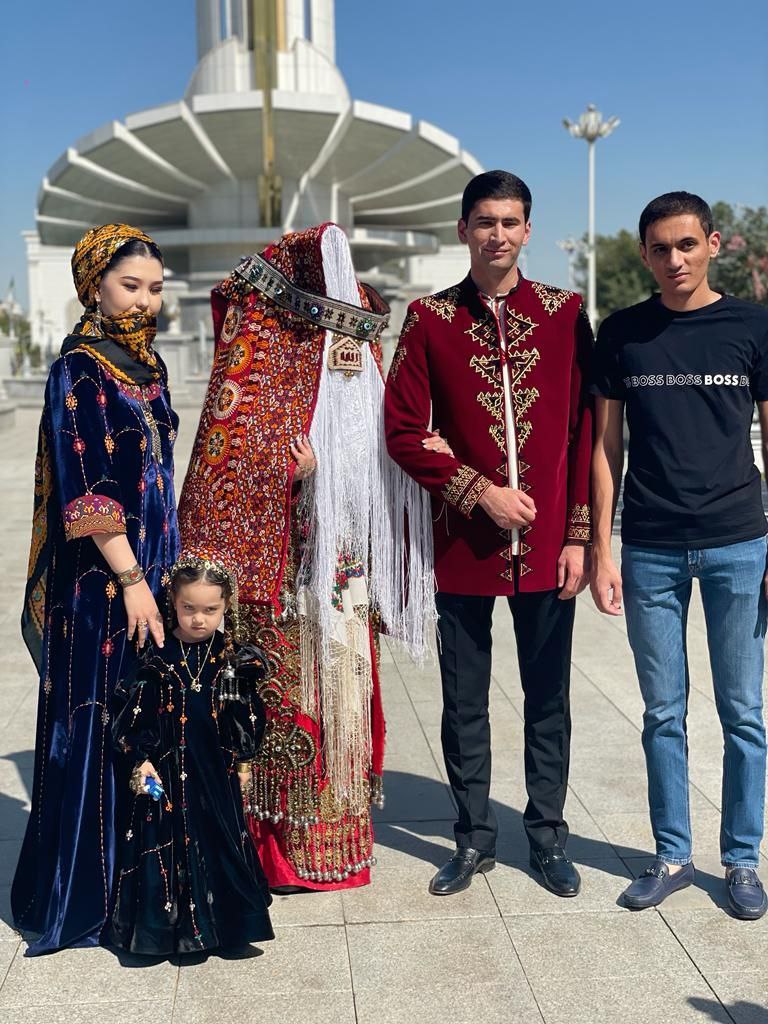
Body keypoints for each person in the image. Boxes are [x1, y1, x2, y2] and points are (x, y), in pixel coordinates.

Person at [178, 223, 436, 891]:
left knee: (339, 704)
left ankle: (328, 849)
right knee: (278, 709)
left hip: (341, 571)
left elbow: (383, 445)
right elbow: (231, 461)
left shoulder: (357, 346)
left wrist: (340, 473)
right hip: (279, 583)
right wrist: (291, 478)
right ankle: (269, 851)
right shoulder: (263, 355)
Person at [385, 170, 594, 897]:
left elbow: (584, 428)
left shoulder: (566, 314)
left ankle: (548, 838)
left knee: (549, 699)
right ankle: (473, 839)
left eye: (509, 222)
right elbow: (401, 430)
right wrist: (480, 494)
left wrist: (579, 535)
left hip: (548, 545)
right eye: (484, 221)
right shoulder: (429, 318)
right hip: (463, 547)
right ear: (463, 230)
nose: (497, 234)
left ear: (528, 230)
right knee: (464, 701)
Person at [590, 191, 768, 919]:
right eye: (660, 248)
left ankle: (743, 860)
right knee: (663, 712)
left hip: (740, 542)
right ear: (644, 255)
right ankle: (671, 856)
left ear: (712, 244)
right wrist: (601, 548)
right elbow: (606, 446)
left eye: (687, 244)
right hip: (651, 547)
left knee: (744, 713)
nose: (674, 259)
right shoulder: (623, 332)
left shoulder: (753, 326)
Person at [14, 223, 180, 955]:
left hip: (152, 569)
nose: (144, 301)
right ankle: (89, 898)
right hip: (101, 585)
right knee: (100, 718)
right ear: (94, 288)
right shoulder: (78, 371)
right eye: (129, 286)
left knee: (146, 717)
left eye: (155, 289)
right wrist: (132, 578)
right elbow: (86, 493)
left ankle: (146, 884)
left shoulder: (148, 368)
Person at [105, 549, 274, 955]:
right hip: (169, 766)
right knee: (169, 843)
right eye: (189, 608)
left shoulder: (231, 658)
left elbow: (243, 714)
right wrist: (141, 757)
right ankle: (168, 935)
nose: (199, 619)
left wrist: (244, 759)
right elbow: (138, 710)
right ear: (173, 603)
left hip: (216, 768)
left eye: (210, 610)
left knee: (219, 839)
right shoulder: (158, 655)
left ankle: (226, 929)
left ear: (226, 605)